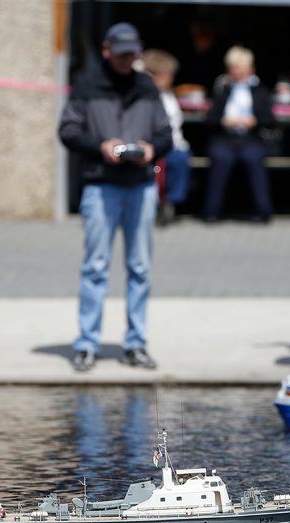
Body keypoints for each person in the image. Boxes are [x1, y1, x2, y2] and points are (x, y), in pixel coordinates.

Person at [59, 22, 173, 372]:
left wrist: (153, 148)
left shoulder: (147, 87)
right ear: (107, 50)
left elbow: (166, 134)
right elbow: (67, 130)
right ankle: (87, 343)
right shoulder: (87, 86)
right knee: (95, 267)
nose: (127, 59)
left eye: (132, 53)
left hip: (140, 185)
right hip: (101, 185)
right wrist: (100, 147)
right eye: (121, 52)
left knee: (140, 268)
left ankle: (135, 344)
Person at [203, 46, 275, 223]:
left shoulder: (260, 91)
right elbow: (210, 118)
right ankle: (212, 211)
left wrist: (254, 120)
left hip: (251, 138)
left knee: (253, 159)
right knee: (221, 159)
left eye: (241, 67)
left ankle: (263, 210)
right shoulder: (222, 90)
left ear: (251, 69)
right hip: (225, 138)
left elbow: (270, 119)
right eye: (234, 68)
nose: (237, 72)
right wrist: (224, 121)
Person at [142, 49, 192, 225]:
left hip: (171, 144)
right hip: (148, 145)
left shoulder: (169, 96)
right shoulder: (143, 96)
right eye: (168, 75)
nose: (171, 79)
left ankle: (170, 201)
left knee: (180, 159)